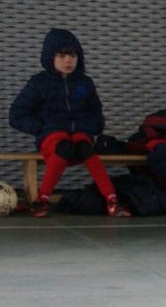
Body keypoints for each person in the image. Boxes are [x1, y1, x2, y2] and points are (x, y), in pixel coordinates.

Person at [8, 28, 129, 218]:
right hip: (53, 138)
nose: (68, 60)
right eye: (62, 55)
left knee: (86, 149)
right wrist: (41, 128)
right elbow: (16, 115)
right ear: (51, 57)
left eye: (72, 55)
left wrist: (93, 126)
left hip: (80, 135)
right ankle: (42, 200)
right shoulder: (39, 83)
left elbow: (96, 113)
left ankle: (112, 200)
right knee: (62, 146)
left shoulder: (85, 83)